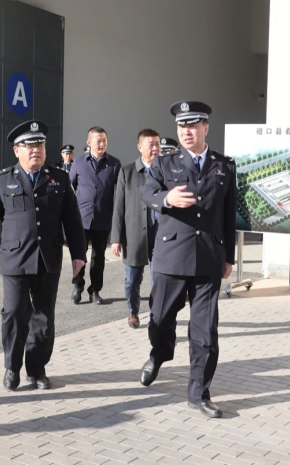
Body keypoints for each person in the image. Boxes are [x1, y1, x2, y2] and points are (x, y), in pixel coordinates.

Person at [138, 100, 236, 418]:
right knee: (160, 319)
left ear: (206, 127)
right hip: (172, 256)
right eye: (182, 126)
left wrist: (229, 257)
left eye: (193, 125)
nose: (187, 131)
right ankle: (160, 354)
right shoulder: (164, 163)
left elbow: (228, 215)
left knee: (205, 331)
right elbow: (147, 192)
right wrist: (166, 197)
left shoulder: (224, 166)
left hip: (209, 257)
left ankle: (199, 393)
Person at [0, 120, 86, 392]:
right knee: (14, 313)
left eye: (40, 145)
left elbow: (72, 220)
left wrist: (78, 255)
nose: (36, 150)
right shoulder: (2, 179)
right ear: (17, 151)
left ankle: (36, 369)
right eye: (30, 145)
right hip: (15, 259)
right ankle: (12, 367)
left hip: (48, 258)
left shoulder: (59, 178)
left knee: (44, 317)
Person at [111, 129, 161, 329]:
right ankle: (133, 312)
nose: (155, 148)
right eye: (151, 144)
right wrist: (116, 238)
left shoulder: (166, 170)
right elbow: (118, 207)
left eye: (157, 144)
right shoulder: (127, 172)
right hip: (134, 235)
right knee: (132, 280)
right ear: (140, 147)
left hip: (160, 235)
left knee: (159, 280)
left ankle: (157, 316)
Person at [69, 126, 121, 305]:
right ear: (89, 142)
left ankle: (95, 290)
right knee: (79, 255)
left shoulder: (114, 164)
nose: (101, 144)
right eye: (98, 141)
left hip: (103, 218)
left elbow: (120, 191)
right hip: (81, 219)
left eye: (104, 140)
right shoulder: (78, 163)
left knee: (98, 258)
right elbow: (70, 188)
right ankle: (77, 286)